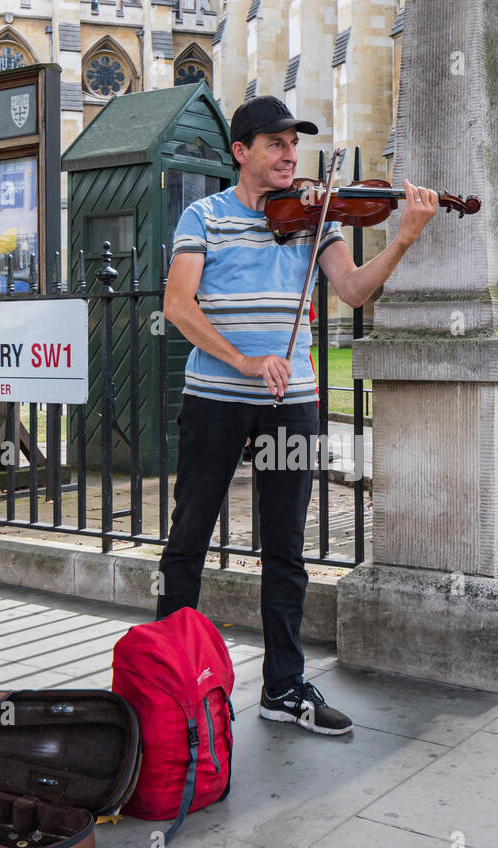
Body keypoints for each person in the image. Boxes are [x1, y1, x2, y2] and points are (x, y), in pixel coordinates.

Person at [156, 95, 439, 735]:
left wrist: (404, 238)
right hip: (216, 400)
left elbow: (354, 290)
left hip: (295, 403)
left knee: (286, 546)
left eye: (294, 145)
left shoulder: (317, 219)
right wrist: (246, 359)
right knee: (190, 536)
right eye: (276, 144)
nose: (290, 157)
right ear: (242, 152)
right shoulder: (203, 216)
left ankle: (283, 689)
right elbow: (179, 305)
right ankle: (171, 680)